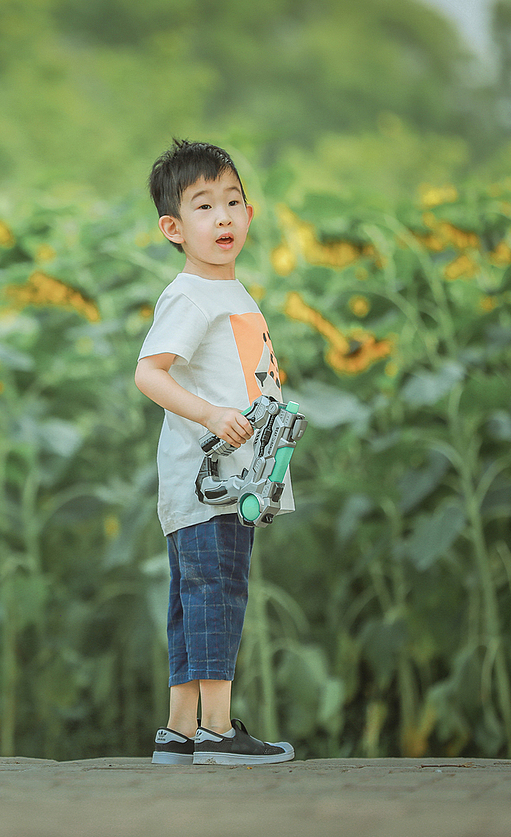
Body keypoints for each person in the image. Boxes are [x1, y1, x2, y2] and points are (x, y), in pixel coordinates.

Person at [134, 139, 295, 766]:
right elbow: (150, 374)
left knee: (193, 596)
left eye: (233, 202)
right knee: (217, 593)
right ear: (173, 228)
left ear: (251, 214)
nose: (223, 217)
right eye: (204, 207)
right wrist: (210, 415)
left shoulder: (233, 293)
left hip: (234, 479)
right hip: (209, 482)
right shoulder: (191, 295)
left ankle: (178, 730)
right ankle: (218, 732)